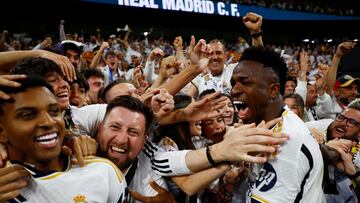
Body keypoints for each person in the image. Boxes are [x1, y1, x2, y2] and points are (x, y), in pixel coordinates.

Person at [0, 75, 127, 202]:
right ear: (1, 132)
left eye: (54, 111)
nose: (49, 122)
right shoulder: (4, 188)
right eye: (28, 115)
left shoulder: (103, 171)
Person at [230, 46, 325, 202]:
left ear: (273, 91)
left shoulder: (286, 141)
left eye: (245, 83)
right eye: (233, 83)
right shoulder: (265, 124)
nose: (234, 90)